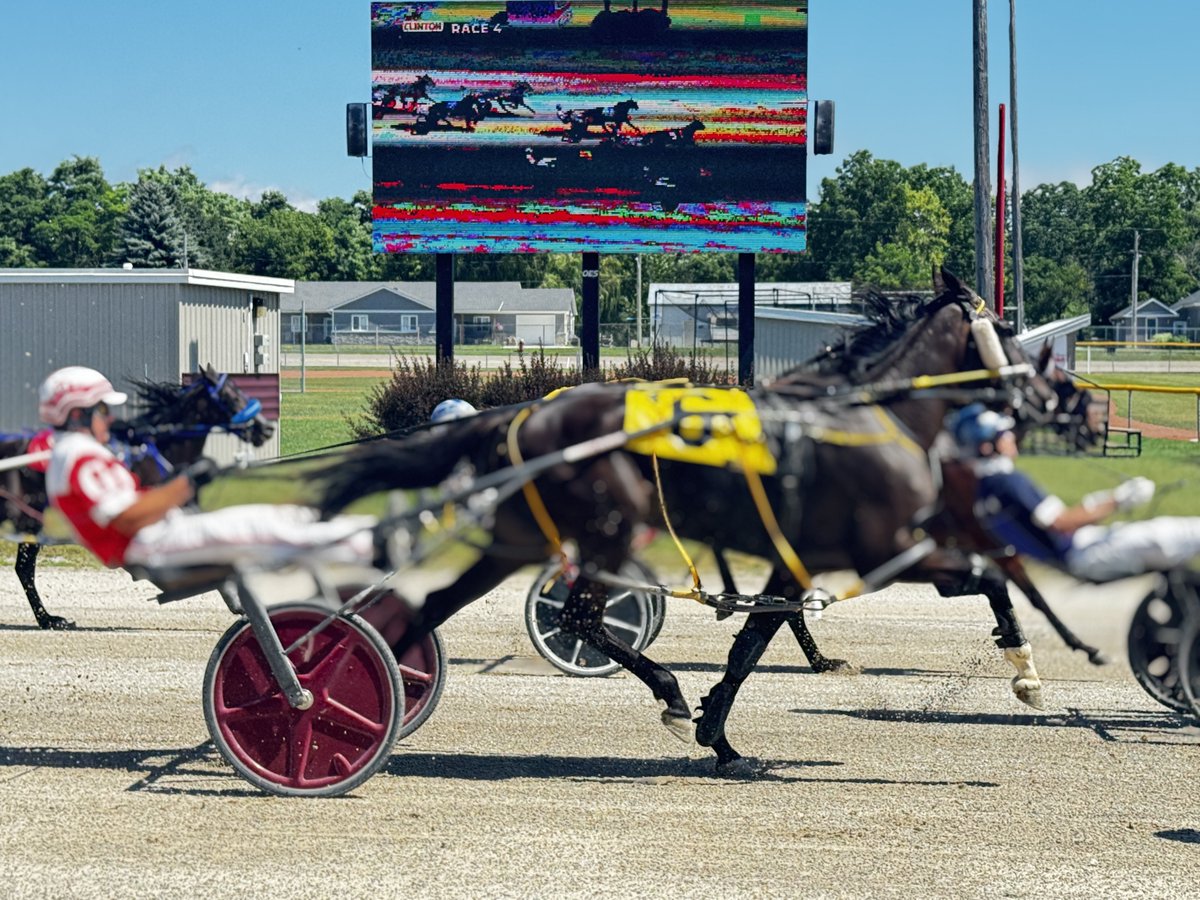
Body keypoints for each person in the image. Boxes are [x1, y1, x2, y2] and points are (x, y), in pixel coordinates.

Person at [39, 366, 378, 572]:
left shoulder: (79, 454)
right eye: (102, 410)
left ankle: (362, 534)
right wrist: (187, 482)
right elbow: (126, 519)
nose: (109, 418)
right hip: (152, 543)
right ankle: (369, 544)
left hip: (159, 534)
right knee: (259, 526)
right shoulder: (80, 458)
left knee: (265, 516)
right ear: (77, 413)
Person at [950, 402, 1200, 582]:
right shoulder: (1008, 482)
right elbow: (1060, 523)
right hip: (1083, 553)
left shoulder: (985, 489)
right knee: (1177, 533)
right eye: (1004, 434)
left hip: (1077, 552)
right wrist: (1119, 499)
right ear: (986, 447)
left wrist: (1099, 501)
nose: (1012, 438)